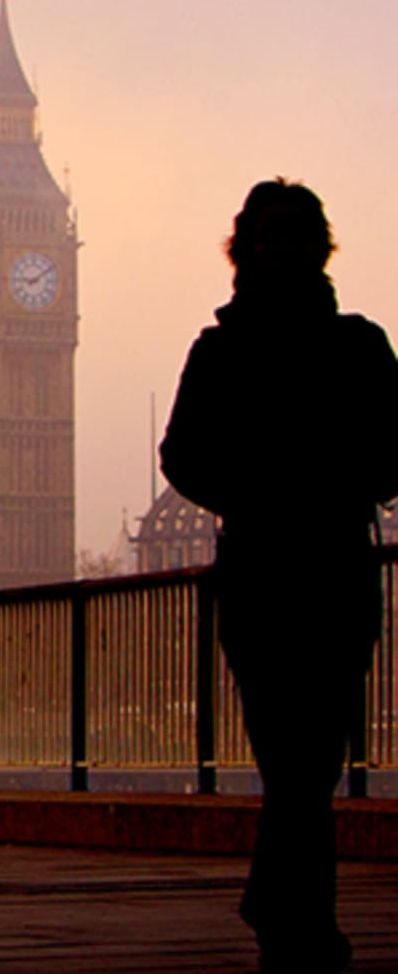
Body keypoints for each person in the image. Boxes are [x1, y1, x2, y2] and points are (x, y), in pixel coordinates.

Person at [160, 179, 398, 973]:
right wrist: (258, 493)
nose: (286, 247)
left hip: (334, 574)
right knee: (296, 762)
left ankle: (285, 914)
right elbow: (182, 457)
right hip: (264, 578)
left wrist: (346, 481)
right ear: (246, 248)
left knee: (309, 762)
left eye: (299, 233)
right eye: (272, 234)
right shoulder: (219, 351)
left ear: (321, 246)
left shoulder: (362, 345)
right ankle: (305, 930)